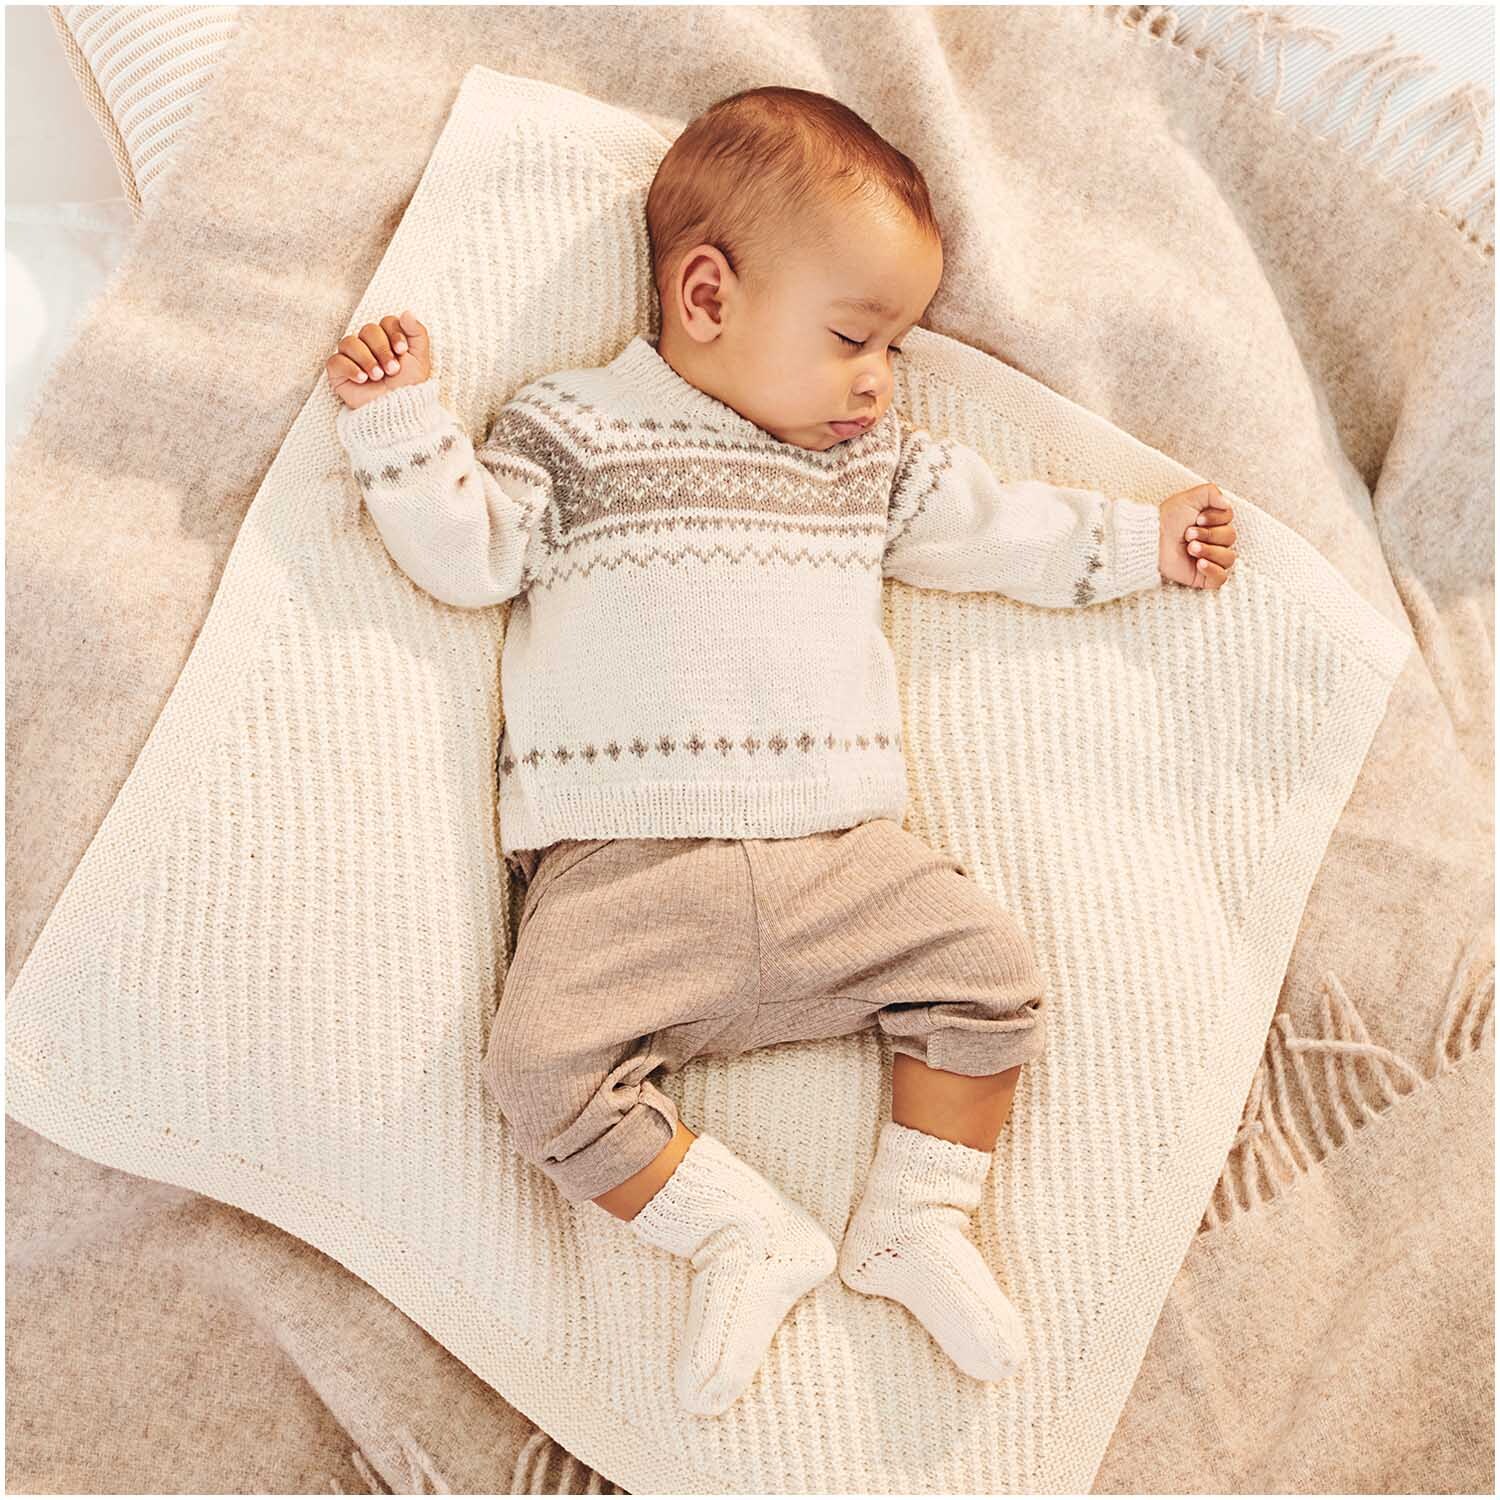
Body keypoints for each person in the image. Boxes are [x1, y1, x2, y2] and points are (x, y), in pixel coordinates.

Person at [324, 84, 1237, 1419]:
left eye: (897, 348)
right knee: (536, 1071)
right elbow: (472, 555)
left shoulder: (868, 467)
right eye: (854, 337)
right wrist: (403, 424)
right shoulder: (572, 430)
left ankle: (916, 1215)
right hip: (622, 874)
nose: (879, 379)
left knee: (989, 976)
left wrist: (1143, 542)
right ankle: (733, 1228)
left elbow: (1002, 527)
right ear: (706, 295)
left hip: (840, 856)